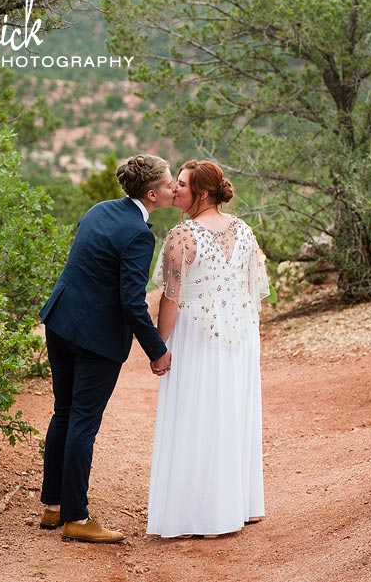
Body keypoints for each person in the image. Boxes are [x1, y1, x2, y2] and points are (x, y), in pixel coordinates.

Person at [39, 154, 174, 543]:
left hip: (61, 322)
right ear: (152, 193)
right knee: (83, 421)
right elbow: (132, 302)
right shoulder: (139, 234)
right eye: (168, 184)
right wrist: (157, 350)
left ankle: (54, 507)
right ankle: (77, 519)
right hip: (95, 340)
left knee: (63, 413)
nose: (172, 189)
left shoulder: (98, 210)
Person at [147, 159, 270, 538]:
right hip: (241, 333)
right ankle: (237, 505)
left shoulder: (182, 235)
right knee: (231, 414)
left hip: (198, 336)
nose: (175, 190)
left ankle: (197, 514)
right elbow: (253, 289)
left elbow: (170, 298)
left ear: (200, 193)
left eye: (181, 184)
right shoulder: (244, 230)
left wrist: (158, 346)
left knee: (195, 416)